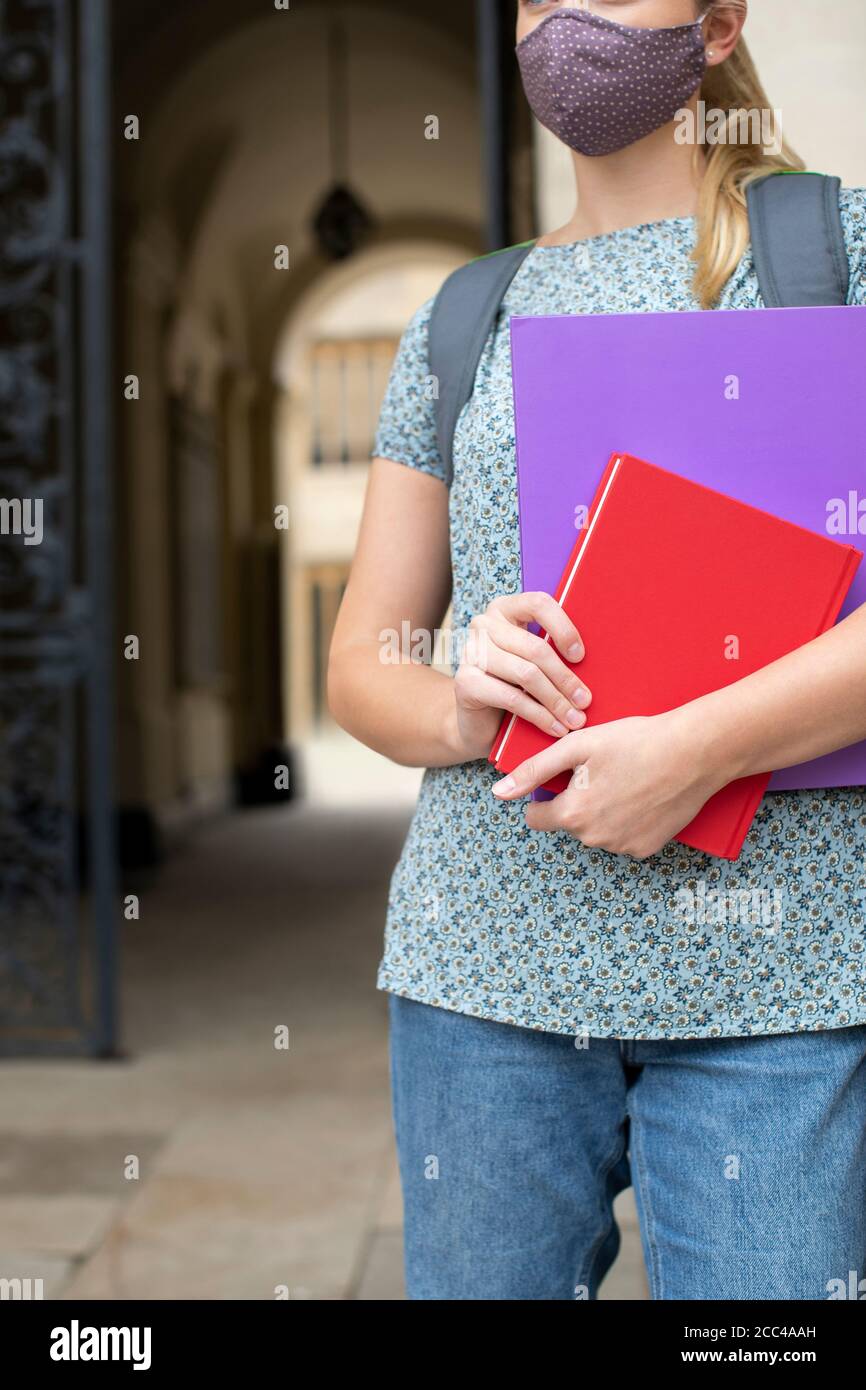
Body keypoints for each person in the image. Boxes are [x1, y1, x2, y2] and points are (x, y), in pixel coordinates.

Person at [328, 0, 866, 1300]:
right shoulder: (463, 315)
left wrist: (694, 749)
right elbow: (357, 664)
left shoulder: (835, 248)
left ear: (719, 23)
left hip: (778, 976)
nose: (564, 17)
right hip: (485, 978)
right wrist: (465, 702)